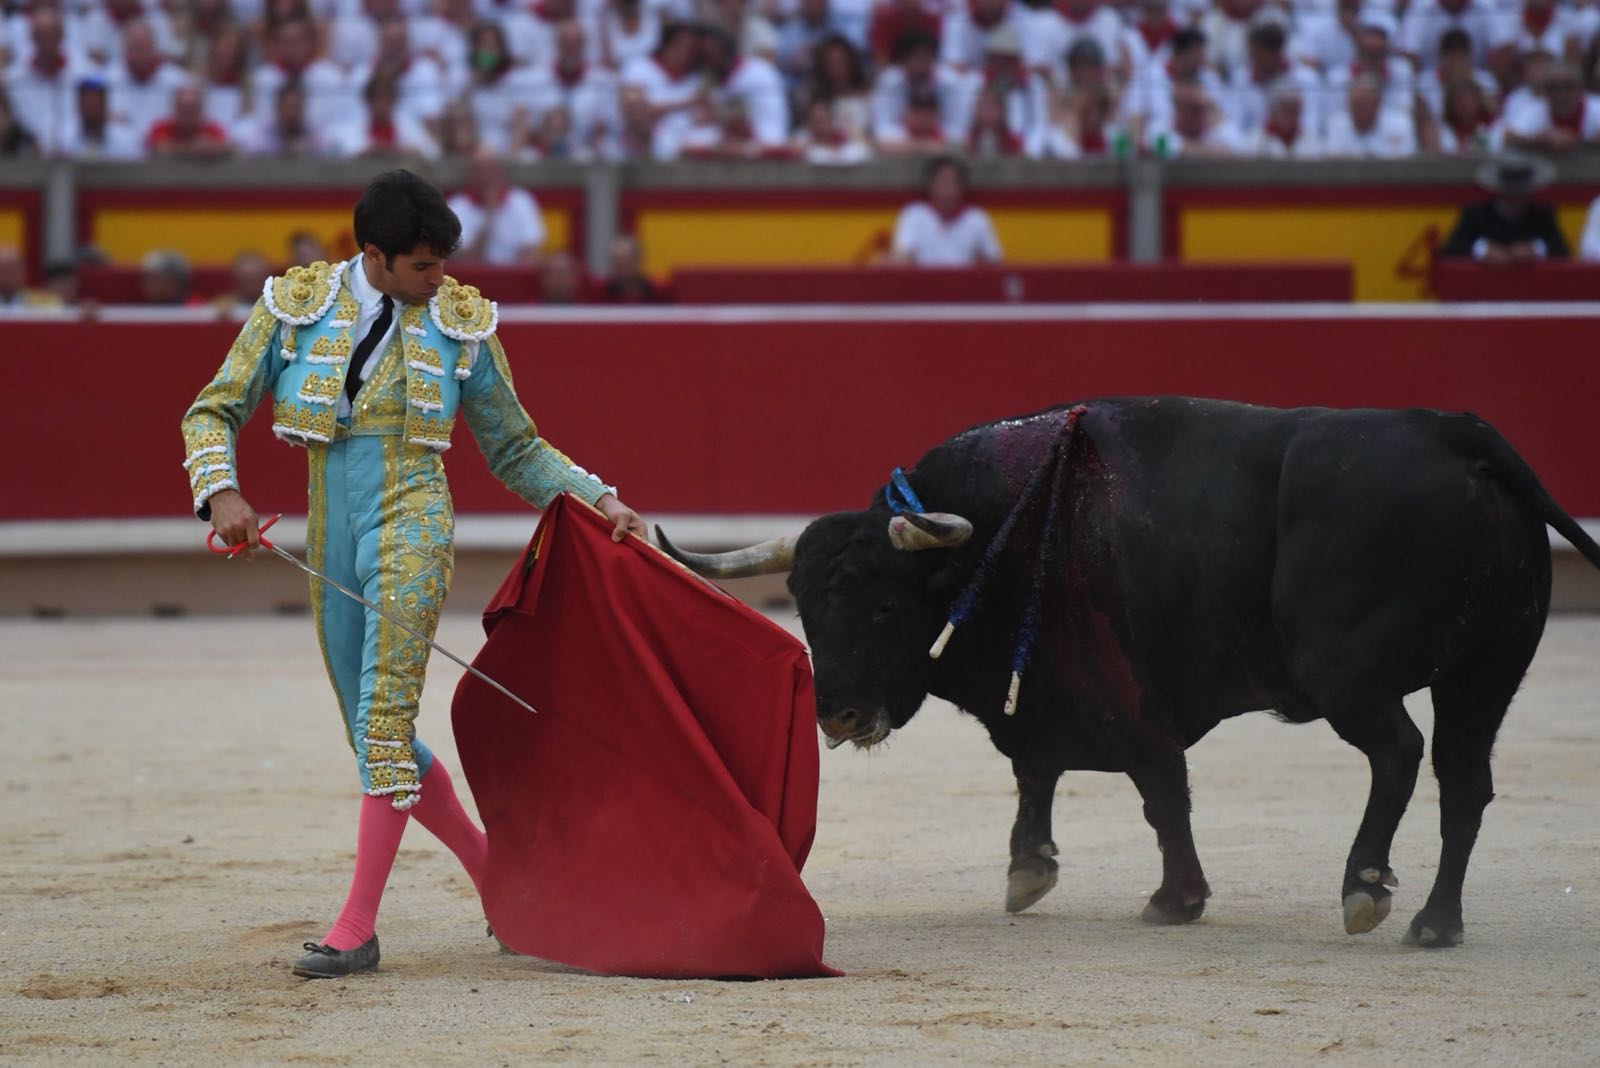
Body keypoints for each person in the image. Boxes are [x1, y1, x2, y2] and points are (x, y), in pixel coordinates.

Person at [180, 169, 644, 979]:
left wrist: (599, 498)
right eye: (424, 266)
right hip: (330, 531)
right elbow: (212, 409)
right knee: (368, 736)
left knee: (385, 726)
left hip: (414, 522)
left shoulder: (460, 323)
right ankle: (500, 875)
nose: (440, 280)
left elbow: (516, 448)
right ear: (375, 255)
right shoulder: (296, 304)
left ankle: (356, 929)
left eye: (442, 263)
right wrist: (221, 491)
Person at [1438, 154, 1570, 262]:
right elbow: (1450, 251)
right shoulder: (1476, 214)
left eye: (1520, 193)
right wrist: (1482, 250)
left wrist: (1535, 249)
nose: (1514, 199)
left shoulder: (1542, 215)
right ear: (1499, 191)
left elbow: (1562, 252)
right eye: (1509, 193)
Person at [889, 154, 1002, 267]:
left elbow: (994, 263)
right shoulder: (914, 215)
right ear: (931, 184)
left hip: (964, 278)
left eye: (954, 181)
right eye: (943, 181)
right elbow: (903, 258)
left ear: (962, 186)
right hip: (925, 278)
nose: (948, 187)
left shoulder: (977, 218)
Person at [446, 152, 545, 266]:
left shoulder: (521, 200)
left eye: (491, 170)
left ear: (500, 172)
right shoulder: (457, 206)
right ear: (471, 175)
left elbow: (531, 252)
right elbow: (465, 258)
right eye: (481, 171)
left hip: (513, 272)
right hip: (474, 274)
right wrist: (489, 215)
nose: (486, 176)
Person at [0, 244, 64, 311]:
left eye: (12, 269)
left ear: (23, 271)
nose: (6, 275)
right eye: (1, 270)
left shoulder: (47, 304)